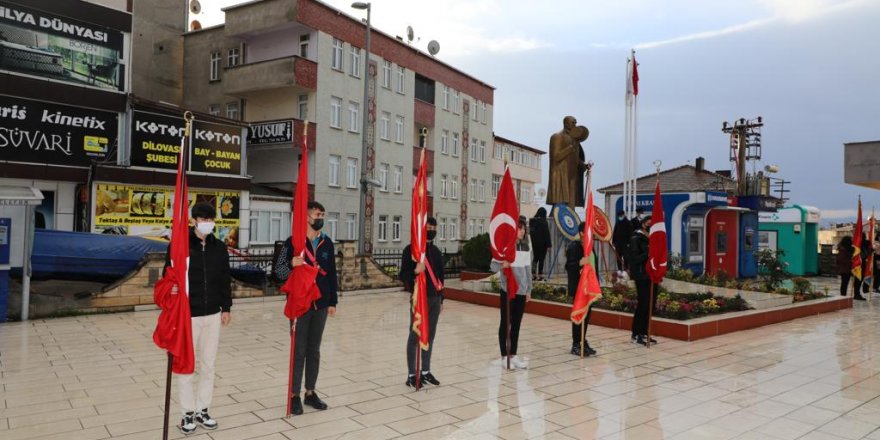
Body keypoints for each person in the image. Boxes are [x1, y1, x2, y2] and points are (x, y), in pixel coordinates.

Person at [167, 202, 232, 435]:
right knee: (186, 366)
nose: (207, 223)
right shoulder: (181, 246)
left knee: (208, 364)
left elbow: (225, 279)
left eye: (210, 219)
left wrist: (227, 307)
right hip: (188, 316)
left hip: (213, 313)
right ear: (193, 220)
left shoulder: (219, 247)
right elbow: (169, 274)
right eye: (203, 219)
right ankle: (187, 413)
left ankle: (203, 408)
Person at [274, 201, 338, 415]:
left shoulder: (327, 243)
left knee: (314, 350)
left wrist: (332, 301)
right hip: (300, 304)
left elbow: (332, 274)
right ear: (307, 217)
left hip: (320, 304)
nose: (321, 217)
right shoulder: (292, 243)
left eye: (323, 214)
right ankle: (294, 395)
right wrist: (292, 264)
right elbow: (278, 272)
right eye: (318, 214)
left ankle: (310, 392)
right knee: (298, 351)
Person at [399, 217, 445, 387]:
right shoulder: (411, 250)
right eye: (429, 227)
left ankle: (425, 371)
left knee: (430, 335)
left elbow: (440, 277)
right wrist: (415, 271)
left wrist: (442, 299)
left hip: (434, 298)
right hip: (419, 298)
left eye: (434, 227)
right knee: (415, 335)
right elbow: (403, 275)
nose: (432, 229)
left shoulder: (436, 251)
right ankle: (412, 373)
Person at [491, 217, 533, 369]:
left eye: (523, 229)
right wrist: (503, 264)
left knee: (516, 324)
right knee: (505, 323)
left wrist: (529, 289)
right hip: (507, 291)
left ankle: (513, 355)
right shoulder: (504, 248)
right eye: (519, 228)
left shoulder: (526, 247)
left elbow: (528, 271)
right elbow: (493, 266)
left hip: (521, 292)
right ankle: (504, 356)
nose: (522, 231)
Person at [565, 222, 597, 356]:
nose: (592, 234)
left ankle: (583, 341)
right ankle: (576, 344)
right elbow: (569, 266)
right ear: (582, 233)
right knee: (579, 315)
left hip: (590, 288)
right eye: (590, 231)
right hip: (579, 287)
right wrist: (579, 262)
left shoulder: (590, 247)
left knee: (587, 317)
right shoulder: (574, 247)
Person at [547, 116, 590, 207]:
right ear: (566, 124)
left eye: (575, 123)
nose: (575, 125)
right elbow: (555, 157)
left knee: (571, 205)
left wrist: (583, 165)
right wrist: (570, 148)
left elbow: (575, 159)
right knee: (559, 204)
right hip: (561, 175)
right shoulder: (557, 137)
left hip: (572, 177)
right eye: (573, 122)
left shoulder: (575, 141)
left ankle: (571, 217)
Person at [629, 215, 657, 346]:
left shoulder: (653, 238)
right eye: (648, 223)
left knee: (650, 304)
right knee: (643, 304)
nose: (650, 225)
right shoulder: (636, 238)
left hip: (652, 275)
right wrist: (648, 253)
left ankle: (645, 332)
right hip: (641, 276)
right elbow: (634, 259)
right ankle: (637, 334)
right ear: (643, 223)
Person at [529, 207, 552, 281]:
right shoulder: (544, 221)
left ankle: (533, 275)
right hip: (543, 245)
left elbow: (531, 233)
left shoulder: (532, 221)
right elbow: (546, 233)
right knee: (541, 260)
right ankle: (540, 275)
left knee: (535, 259)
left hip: (535, 244)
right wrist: (549, 244)